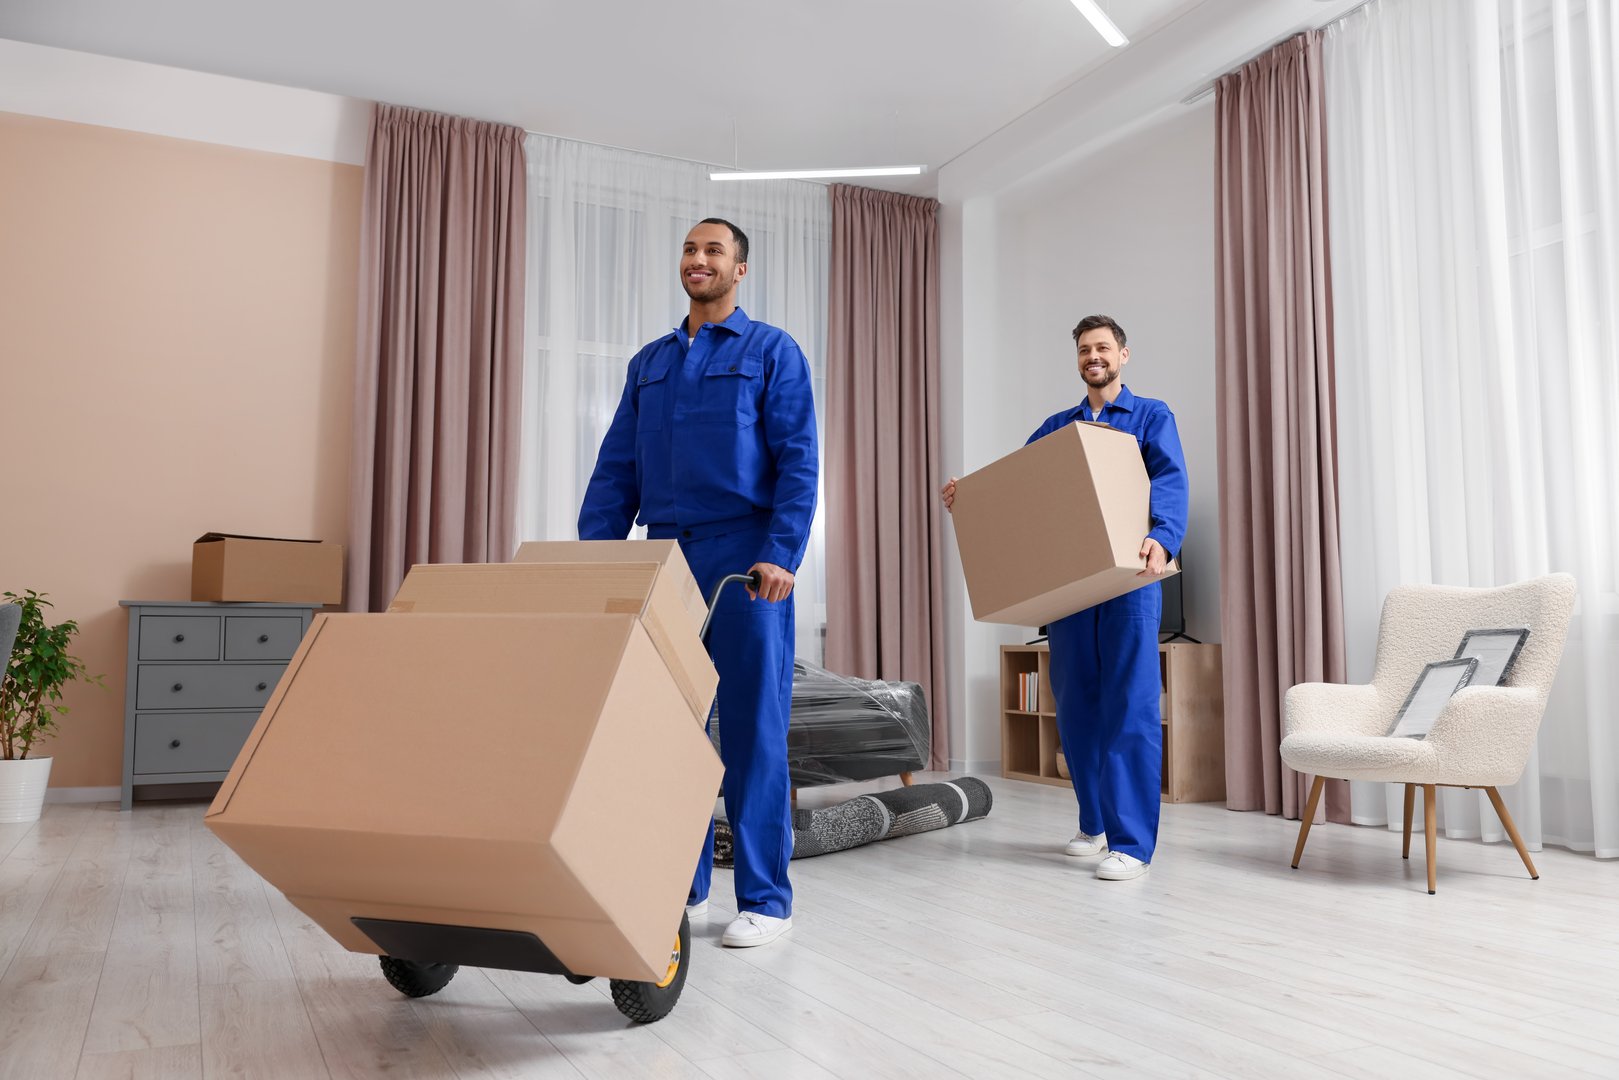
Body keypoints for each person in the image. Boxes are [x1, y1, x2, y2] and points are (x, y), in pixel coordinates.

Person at [578, 218, 817, 946]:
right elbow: (617, 465)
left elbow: (798, 457)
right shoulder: (649, 363)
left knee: (750, 729)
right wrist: (596, 559)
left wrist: (783, 551)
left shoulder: (771, 351)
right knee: (666, 728)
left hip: (746, 559)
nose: (698, 259)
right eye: (688, 248)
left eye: (713, 250)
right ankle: (681, 890)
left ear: (739, 269)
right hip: (664, 556)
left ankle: (766, 899)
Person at [942, 314, 1186, 880]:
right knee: (1075, 707)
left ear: (1123, 355)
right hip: (1071, 588)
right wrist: (969, 497)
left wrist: (1163, 535)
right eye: (1084, 349)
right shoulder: (1058, 425)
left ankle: (1131, 845)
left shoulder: (1151, 416)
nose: (1093, 356)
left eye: (1103, 347)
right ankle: (1093, 822)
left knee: (1129, 707)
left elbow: (1171, 480)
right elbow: (1022, 489)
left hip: (1127, 584)